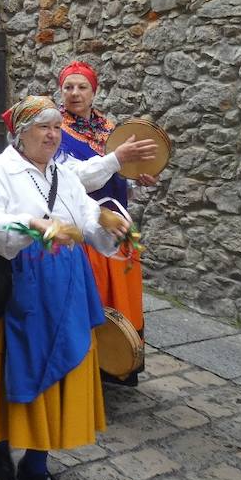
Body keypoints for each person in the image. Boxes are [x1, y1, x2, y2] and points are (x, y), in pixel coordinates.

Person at [0, 95, 131, 480]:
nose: (53, 135)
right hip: (19, 285)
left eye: (57, 127)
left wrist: (107, 222)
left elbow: (86, 216)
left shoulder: (64, 173)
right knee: (12, 366)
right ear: (21, 132)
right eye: (44, 127)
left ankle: (37, 465)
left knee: (62, 370)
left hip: (67, 287)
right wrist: (31, 226)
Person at [56, 61, 159, 386]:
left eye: (81, 87)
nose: (74, 93)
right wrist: (117, 160)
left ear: (94, 91)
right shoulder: (54, 130)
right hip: (84, 230)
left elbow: (116, 179)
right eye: (68, 87)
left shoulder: (110, 130)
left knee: (120, 296)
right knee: (91, 296)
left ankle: (117, 363)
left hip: (117, 225)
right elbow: (72, 180)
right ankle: (85, 369)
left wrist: (136, 180)